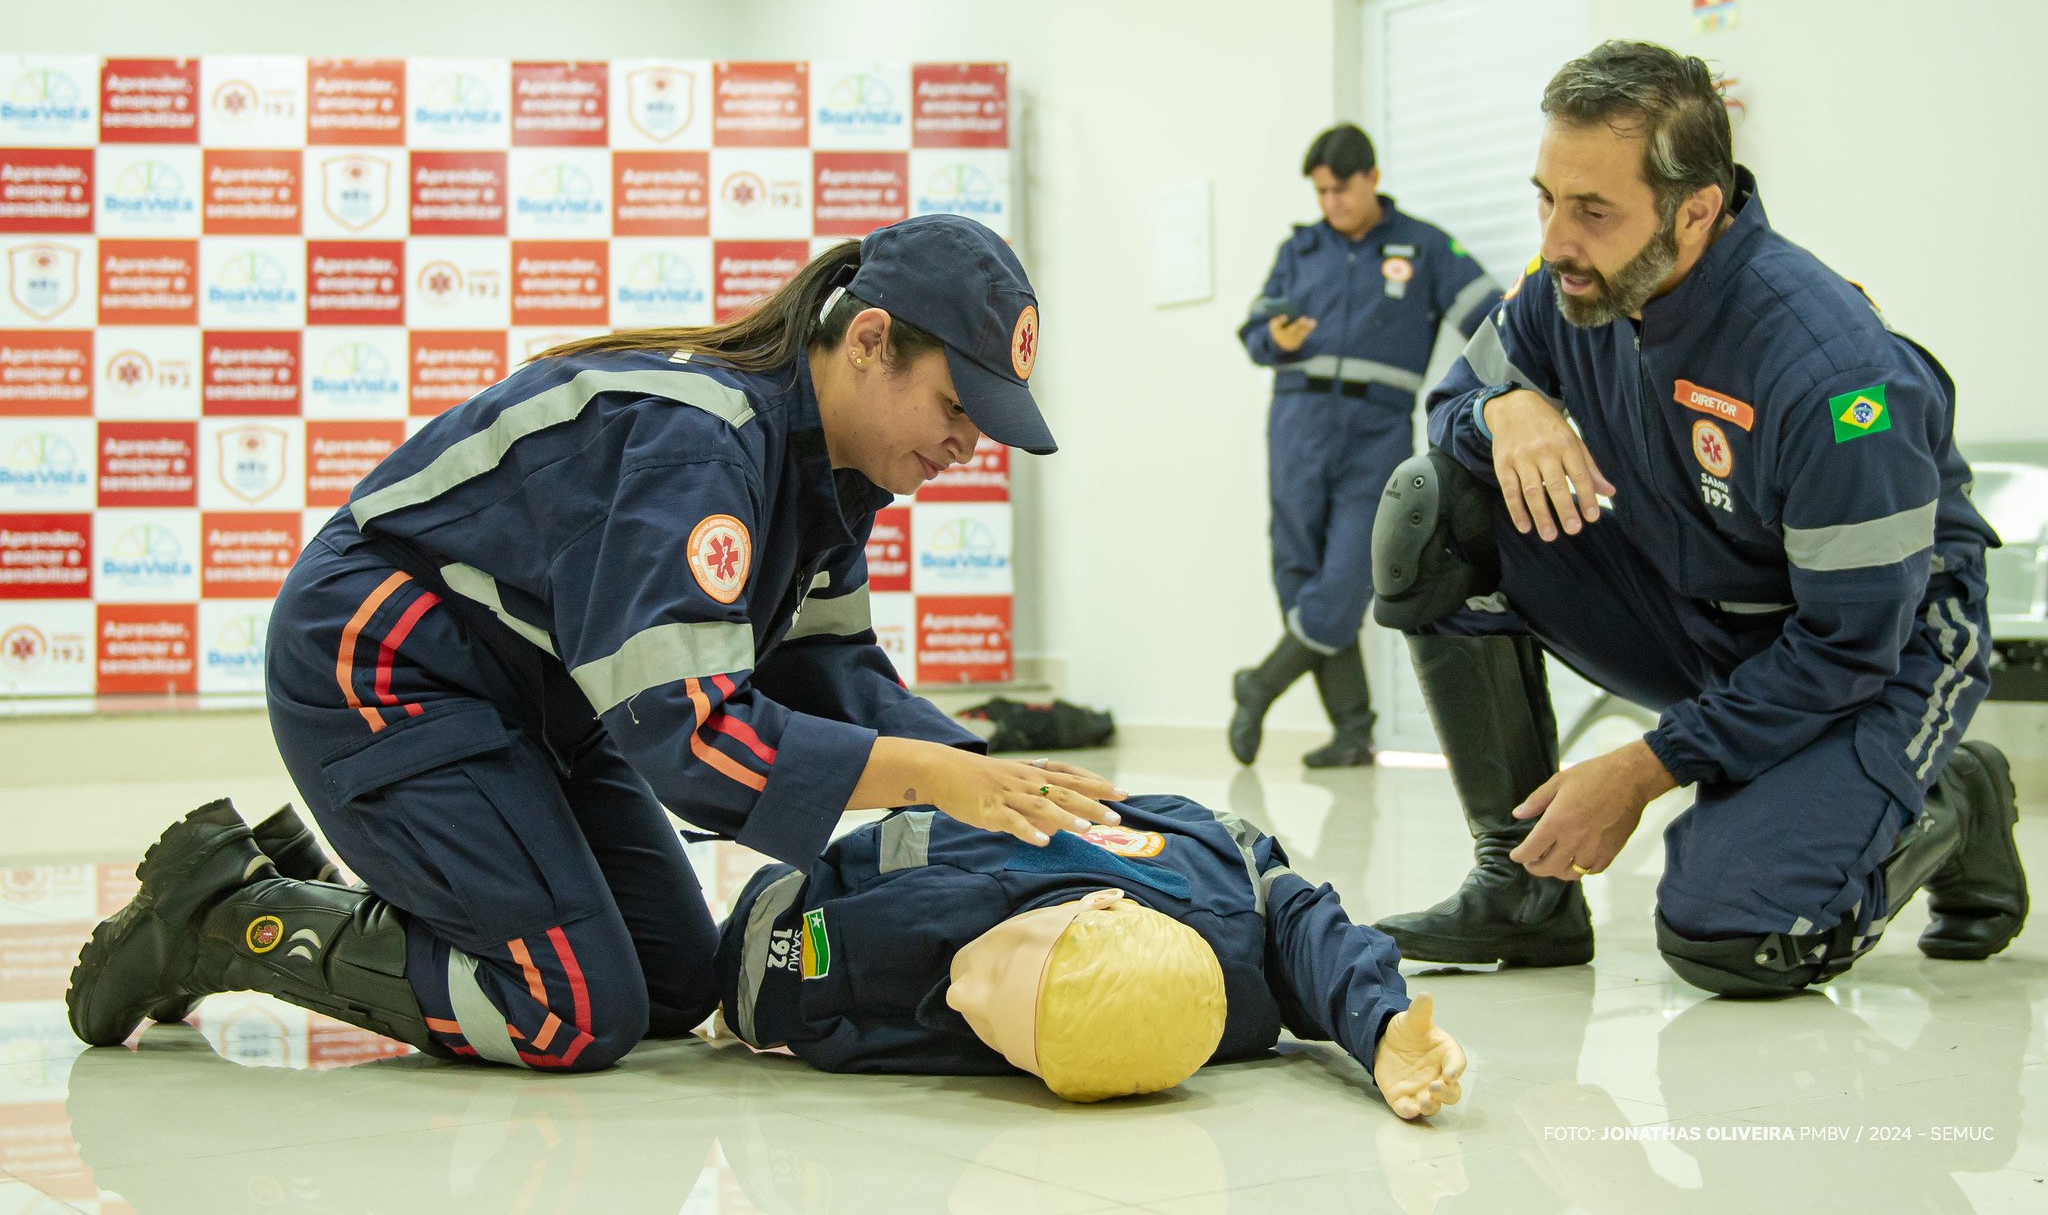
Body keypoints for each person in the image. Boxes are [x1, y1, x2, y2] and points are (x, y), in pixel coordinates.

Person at [67, 215, 1129, 1068]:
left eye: (984, 423)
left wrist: (994, 793)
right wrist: (929, 779)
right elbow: (692, 736)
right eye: (955, 404)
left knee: (675, 986)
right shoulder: (701, 443)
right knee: (569, 1011)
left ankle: (351, 881)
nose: (965, 443)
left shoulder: (831, 482)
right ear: (867, 342)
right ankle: (226, 916)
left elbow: (835, 674)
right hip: (380, 664)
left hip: (530, 702)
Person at [1368, 41, 2028, 994]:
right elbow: (1453, 399)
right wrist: (1502, 407)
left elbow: (1850, 649)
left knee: (1737, 937)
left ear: (1698, 212)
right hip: (1696, 602)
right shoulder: (1573, 282)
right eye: (1545, 197)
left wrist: (1643, 766)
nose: (1556, 238)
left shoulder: (1836, 378)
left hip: (1879, 649)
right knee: (1433, 507)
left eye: (1593, 210)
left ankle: (1951, 796)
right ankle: (1526, 891)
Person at [714, 792, 1465, 1116]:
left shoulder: (1226, 1007)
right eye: (1007, 972)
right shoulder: (945, 892)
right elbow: (1301, 918)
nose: (966, 998)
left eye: (1017, 1049)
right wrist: (1384, 1012)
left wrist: (1378, 1032)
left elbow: (796, 1002)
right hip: (1198, 848)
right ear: (1091, 905)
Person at [1233, 124, 1498, 769]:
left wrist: (1504, 393)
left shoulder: (1426, 247)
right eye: (1320, 192)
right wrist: (1278, 338)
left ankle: (1260, 684)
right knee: (1297, 570)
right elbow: (1252, 331)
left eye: (1341, 190)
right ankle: (1354, 729)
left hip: (1376, 430)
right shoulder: (1299, 250)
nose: (1330, 204)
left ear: (1372, 178)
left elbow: (1494, 316)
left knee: (1350, 576)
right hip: (1298, 419)